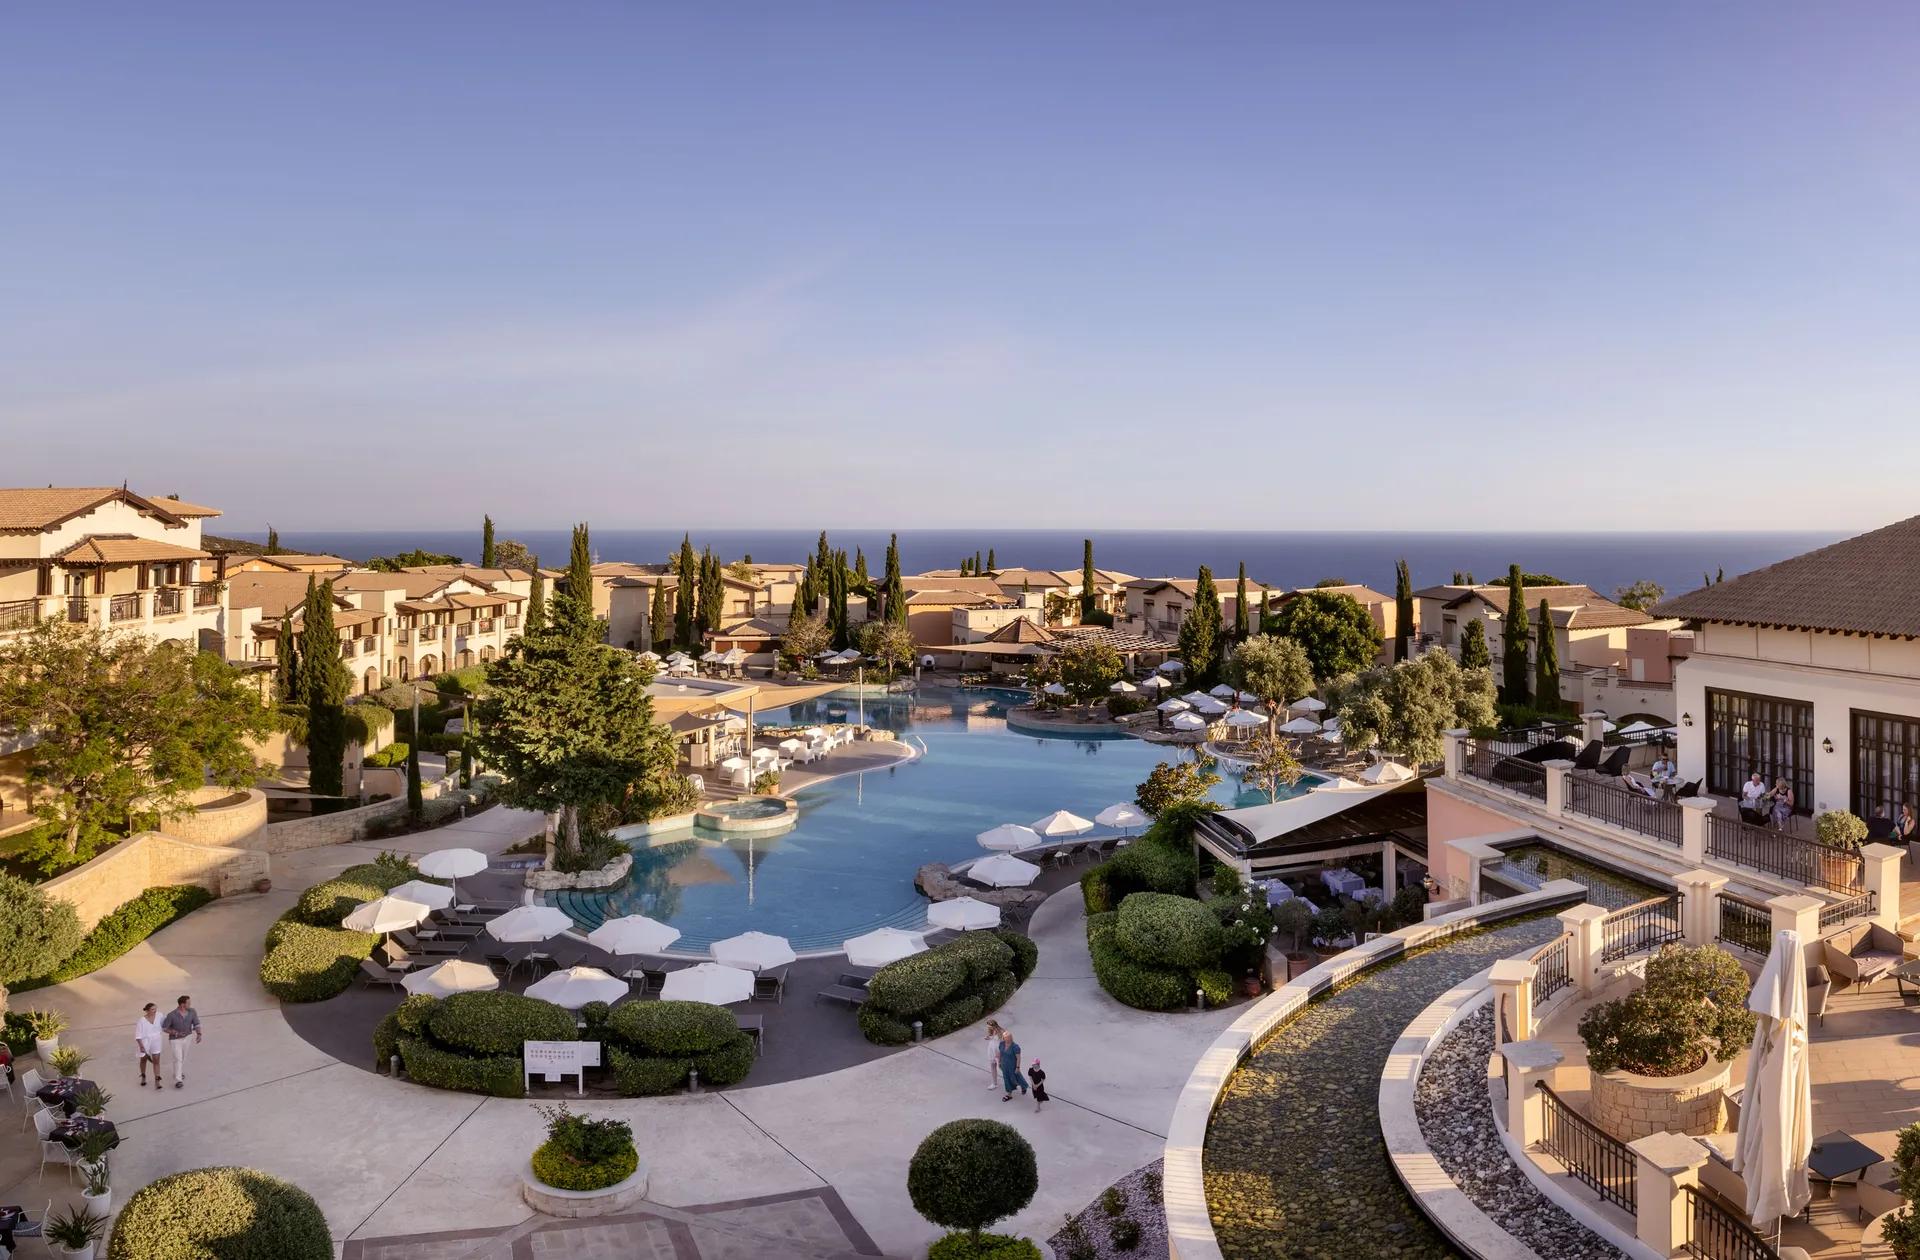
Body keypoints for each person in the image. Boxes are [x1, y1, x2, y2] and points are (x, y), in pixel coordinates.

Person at [161, 994, 202, 1089]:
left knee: (183, 1057)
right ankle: (178, 1080)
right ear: (182, 1004)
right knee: (178, 1058)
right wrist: (176, 1033)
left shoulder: (192, 1011)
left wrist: (199, 1034)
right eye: (188, 1003)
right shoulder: (171, 1015)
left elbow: (196, 1023)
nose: (190, 1004)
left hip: (188, 1037)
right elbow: (164, 1028)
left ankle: (178, 1072)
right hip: (175, 1040)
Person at [135, 1002, 165, 1089]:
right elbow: (138, 1035)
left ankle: (157, 1081)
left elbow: (166, 1023)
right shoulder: (141, 1020)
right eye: (152, 1009)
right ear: (147, 1011)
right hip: (145, 1041)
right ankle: (143, 1077)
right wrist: (141, 1046)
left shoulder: (160, 1015)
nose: (155, 1011)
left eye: (155, 1009)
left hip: (157, 1040)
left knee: (156, 1060)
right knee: (143, 1059)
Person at [997, 1029, 1027, 1102]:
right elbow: (1000, 1053)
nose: (1007, 1039)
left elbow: (1018, 1058)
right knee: (1006, 1079)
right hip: (1004, 1066)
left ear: (1011, 1038)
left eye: (1009, 1037)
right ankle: (1009, 1094)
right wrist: (999, 1062)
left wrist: (1018, 1067)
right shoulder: (1002, 1044)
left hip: (1013, 1067)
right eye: (1006, 1037)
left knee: (1017, 1078)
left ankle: (1023, 1086)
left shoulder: (1015, 1047)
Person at [983, 1020, 1005, 1091]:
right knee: (993, 1066)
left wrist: (1001, 1053)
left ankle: (1012, 1081)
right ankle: (994, 1083)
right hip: (992, 1050)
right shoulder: (991, 1031)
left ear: (994, 1025)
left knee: (1003, 1068)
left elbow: (1004, 1042)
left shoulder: (1001, 1031)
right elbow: (992, 1038)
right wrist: (988, 1038)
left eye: (989, 1027)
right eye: (988, 1027)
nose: (989, 1028)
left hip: (998, 1052)